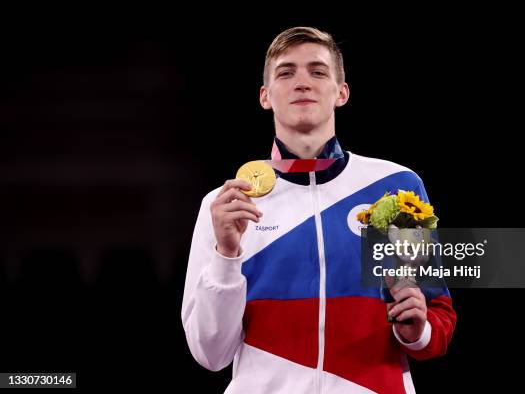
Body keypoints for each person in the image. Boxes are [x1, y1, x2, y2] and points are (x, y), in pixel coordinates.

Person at [181, 26, 457, 393]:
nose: (302, 82)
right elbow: (210, 354)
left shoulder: (397, 187)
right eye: (286, 72)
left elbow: (438, 320)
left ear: (341, 92)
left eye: (318, 71)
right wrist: (227, 255)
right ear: (265, 96)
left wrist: (416, 331)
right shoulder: (227, 206)